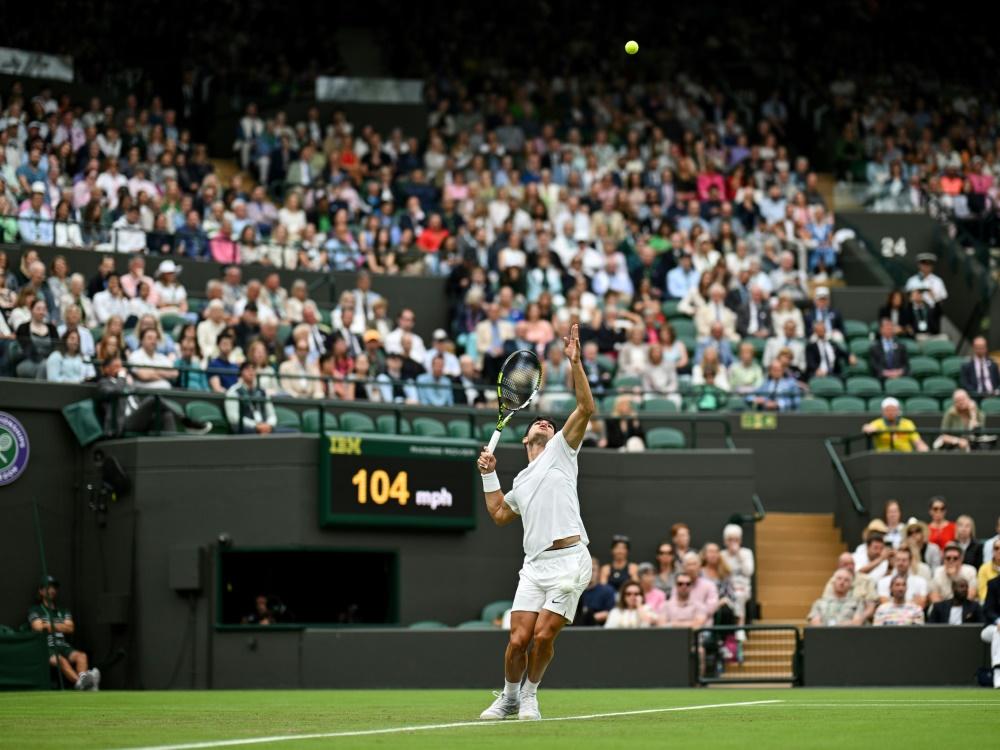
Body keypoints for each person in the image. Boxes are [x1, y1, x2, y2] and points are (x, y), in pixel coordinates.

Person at [476, 323, 594, 721]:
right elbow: (498, 514)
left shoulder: (563, 451)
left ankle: (530, 694)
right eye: (538, 423)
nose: (546, 423)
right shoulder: (521, 482)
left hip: (570, 561)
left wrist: (575, 363)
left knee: (543, 637)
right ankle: (509, 697)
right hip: (534, 566)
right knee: (517, 641)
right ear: (525, 438)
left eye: (550, 422)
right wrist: (488, 474)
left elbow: (587, 408)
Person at [95, 356, 209, 436]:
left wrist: (126, 382)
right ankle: (185, 421)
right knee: (152, 398)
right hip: (122, 423)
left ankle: (172, 449)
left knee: (166, 415)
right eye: (116, 366)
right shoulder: (103, 384)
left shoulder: (126, 384)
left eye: (121, 366)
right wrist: (122, 378)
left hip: (137, 417)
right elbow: (116, 393)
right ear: (106, 369)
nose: (121, 369)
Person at [28, 575, 100, 690]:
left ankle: (83, 680)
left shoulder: (63, 611)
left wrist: (48, 625)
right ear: (41, 591)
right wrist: (61, 626)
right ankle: (83, 684)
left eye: (54, 588)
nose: (52, 590)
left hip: (62, 645)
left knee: (81, 656)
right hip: (46, 648)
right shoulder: (35, 610)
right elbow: (39, 628)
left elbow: (70, 628)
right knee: (61, 660)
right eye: (48, 588)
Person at [823, 552, 880, 623]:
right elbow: (826, 605)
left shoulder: (867, 580)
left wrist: (857, 621)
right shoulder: (833, 581)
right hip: (836, 620)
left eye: (852, 564)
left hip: (861, 621)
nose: (850, 567)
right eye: (845, 564)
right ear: (839, 566)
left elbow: (870, 609)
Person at [225, 362, 279, 434]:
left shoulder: (262, 391)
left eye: (253, 369)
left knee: (292, 432)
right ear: (241, 373)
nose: (251, 371)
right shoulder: (233, 391)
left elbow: (272, 414)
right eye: (247, 369)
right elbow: (233, 418)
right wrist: (256, 425)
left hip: (264, 426)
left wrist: (269, 425)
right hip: (244, 428)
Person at [862, 397, 928, 452]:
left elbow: (918, 442)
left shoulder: (907, 423)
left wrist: (923, 449)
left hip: (906, 457)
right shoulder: (878, 423)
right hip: (883, 457)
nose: (890, 413)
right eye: (887, 410)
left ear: (898, 410)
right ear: (883, 411)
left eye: (893, 410)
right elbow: (868, 428)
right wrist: (868, 428)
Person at [574, 556, 616, 627]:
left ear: (599, 572)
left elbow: (611, 613)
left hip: (599, 629)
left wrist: (589, 618)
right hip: (575, 628)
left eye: (593, 570)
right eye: (586, 569)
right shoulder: (575, 591)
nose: (589, 572)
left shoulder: (607, 591)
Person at [980, 576, 1000, 688]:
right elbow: (988, 609)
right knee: (999, 632)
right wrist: (998, 621)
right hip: (991, 628)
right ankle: (998, 673)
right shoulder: (993, 584)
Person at [978, 539, 1000, 603]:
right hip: (990, 604)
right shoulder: (984, 568)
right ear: (992, 551)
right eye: (996, 548)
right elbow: (982, 592)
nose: (999, 551)